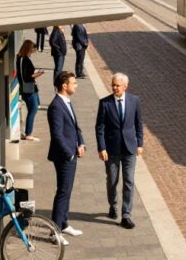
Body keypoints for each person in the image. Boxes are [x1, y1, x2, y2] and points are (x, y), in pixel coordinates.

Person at [95, 72, 143, 229]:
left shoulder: (134, 101)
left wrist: (140, 144)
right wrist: (102, 148)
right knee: (112, 181)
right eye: (113, 85)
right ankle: (113, 205)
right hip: (112, 150)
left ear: (125, 86)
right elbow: (99, 127)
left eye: (117, 85)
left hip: (129, 149)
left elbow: (138, 123)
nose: (114, 87)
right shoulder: (105, 103)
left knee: (129, 181)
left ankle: (126, 215)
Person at [47, 71, 84, 243]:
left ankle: (64, 223)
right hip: (64, 156)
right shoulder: (56, 106)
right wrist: (69, 154)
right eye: (73, 83)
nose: (76, 86)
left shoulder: (66, 102)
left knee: (67, 190)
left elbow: (75, 126)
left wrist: (81, 143)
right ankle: (55, 231)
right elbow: (57, 135)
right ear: (64, 86)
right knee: (62, 192)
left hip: (72, 152)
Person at [15, 41, 44, 142]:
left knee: (32, 109)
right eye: (33, 49)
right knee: (33, 110)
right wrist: (40, 73)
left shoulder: (19, 58)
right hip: (29, 89)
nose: (33, 52)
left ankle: (28, 132)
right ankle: (28, 133)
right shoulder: (25, 60)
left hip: (27, 88)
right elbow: (28, 76)